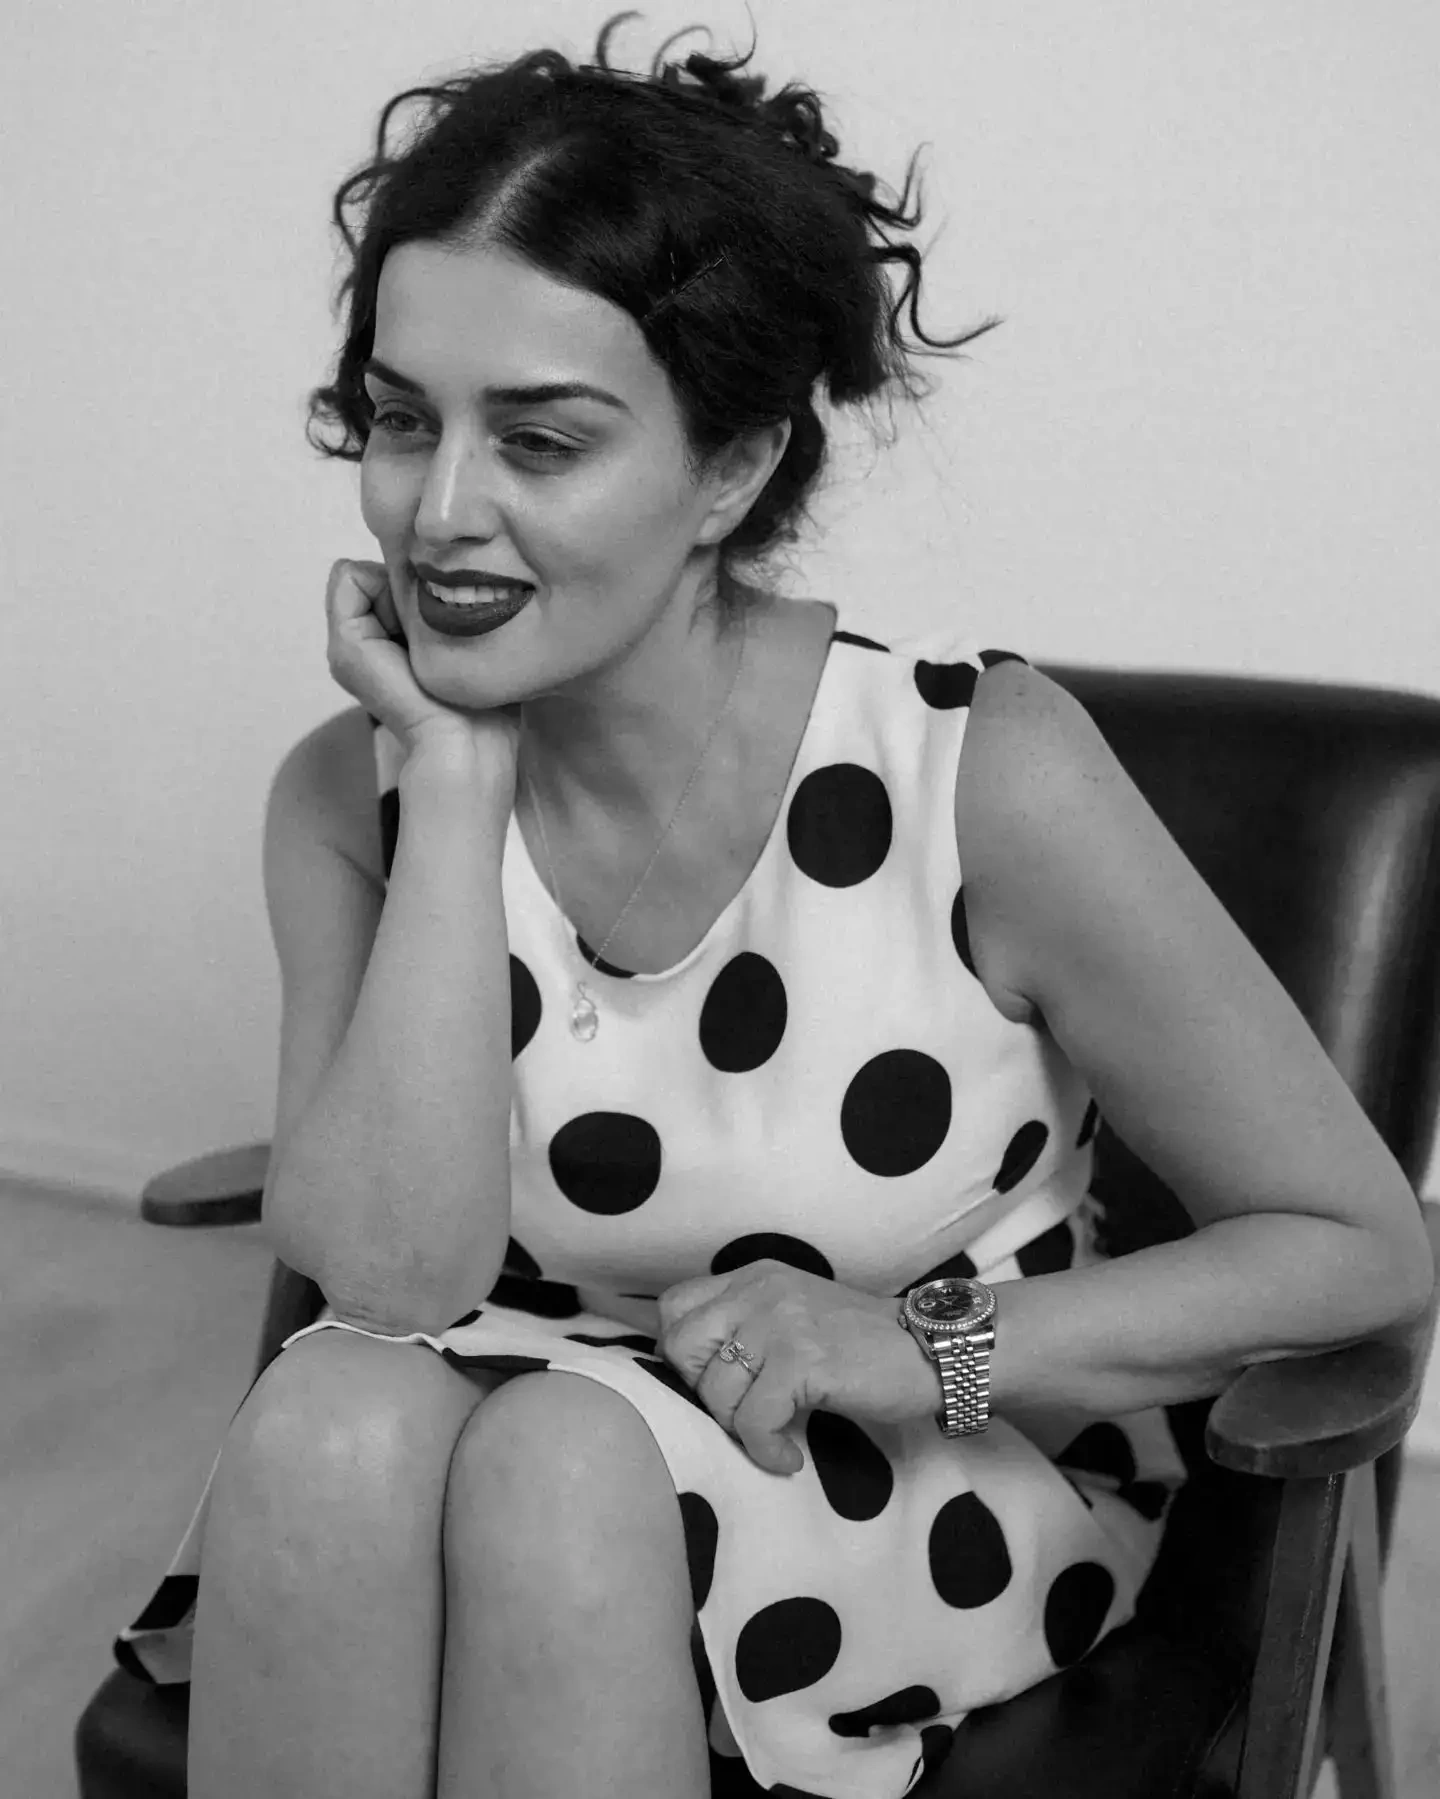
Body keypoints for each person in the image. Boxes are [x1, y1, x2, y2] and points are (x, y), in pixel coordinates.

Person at [113, 12, 1433, 1798]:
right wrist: (458, 783)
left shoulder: (981, 772)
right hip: (493, 1401)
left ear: (729, 469)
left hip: (918, 1459)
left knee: (558, 1472)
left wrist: (921, 1346)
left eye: (541, 440)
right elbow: (393, 1283)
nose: (440, 512)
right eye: (405, 420)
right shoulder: (355, 794)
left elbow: (1356, 1240)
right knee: (324, 1423)